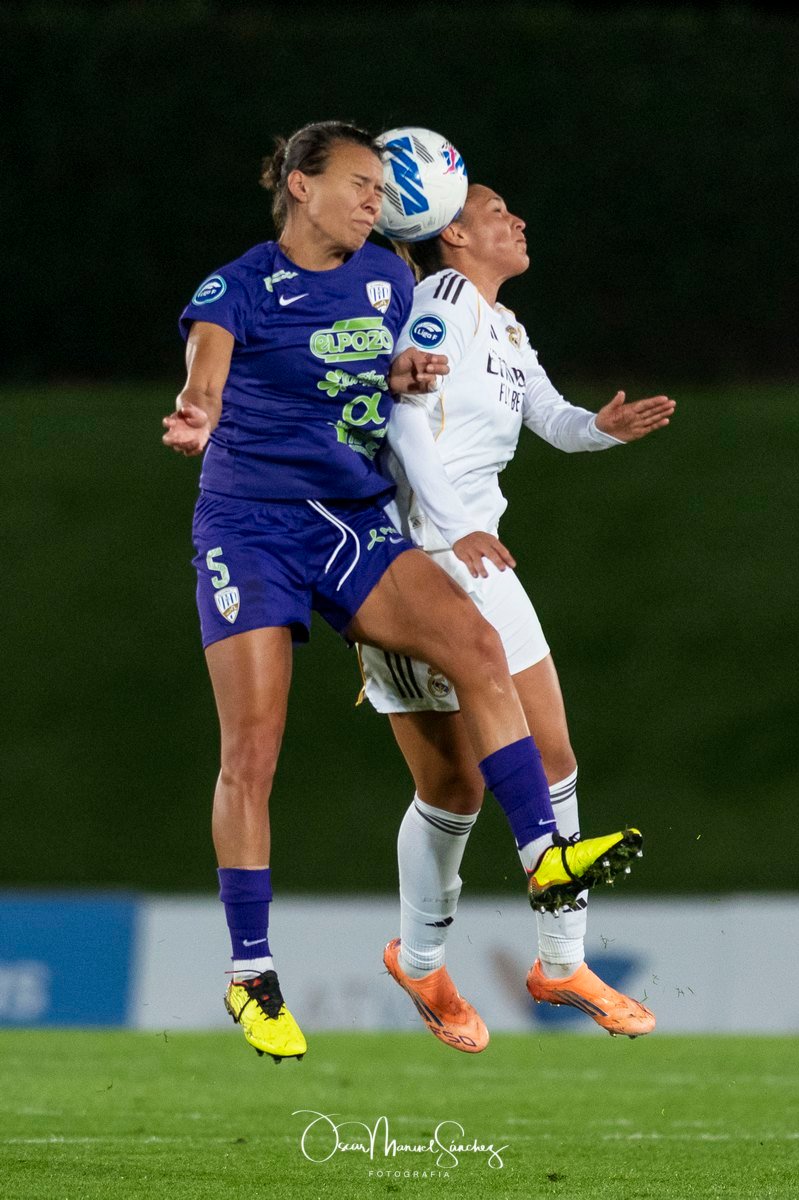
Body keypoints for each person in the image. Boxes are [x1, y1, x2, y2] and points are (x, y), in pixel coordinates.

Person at [162, 121, 645, 1063]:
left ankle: (546, 862)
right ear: (301, 185)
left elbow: (381, 384)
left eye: (382, 189)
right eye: (358, 183)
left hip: (350, 519)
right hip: (252, 528)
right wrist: (196, 410)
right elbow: (208, 368)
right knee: (252, 753)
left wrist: (401, 372)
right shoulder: (238, 285)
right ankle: (252, 974)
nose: (374, 201)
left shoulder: (389, 276)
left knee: (475, 645)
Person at [361, 182, 675, 1048]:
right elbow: (403, 418)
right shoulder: (441, 301)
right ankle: (421, 962)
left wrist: (602, 428)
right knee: (451, 789)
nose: (519, 220)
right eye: (498, 212)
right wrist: (450, 526)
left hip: (481, 555)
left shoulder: (502, 324)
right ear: (454, 233)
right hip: (422, 557)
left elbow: (552, 419)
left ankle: (562, 963)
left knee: (555, 754)